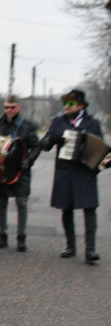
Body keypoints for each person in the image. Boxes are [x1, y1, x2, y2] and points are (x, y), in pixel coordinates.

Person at [39, 89, 103, 262]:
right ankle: (70, 246)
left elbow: (101, 149)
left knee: (89, 209)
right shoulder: (58, 123)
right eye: (65, 103)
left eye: (71, 103)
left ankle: (90, 250)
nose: (67, 106)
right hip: (65, 172)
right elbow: (44, 144)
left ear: (81, 105)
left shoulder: (93, 124)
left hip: (85, 173)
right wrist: (54, 138)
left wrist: (104, 161)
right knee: (66, 209)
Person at [0, 95, 41, 251]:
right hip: (1, 170)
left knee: (22, 203)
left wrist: (29, 161)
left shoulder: (27, 126)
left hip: (21, 170)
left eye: (12, 107)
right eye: (6, 107)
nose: (9, 110)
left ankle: (21, 238)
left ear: (19, 107)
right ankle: (3, 236)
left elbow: (36, 146)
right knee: (2, 204)